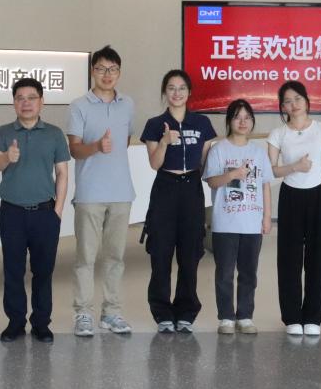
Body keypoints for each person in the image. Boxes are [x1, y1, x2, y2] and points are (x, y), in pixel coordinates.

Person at [0, 78, 69, 343]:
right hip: (11, 212)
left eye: (31, 97)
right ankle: (15, 322)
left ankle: (41, 323)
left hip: (45, 213)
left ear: (41, 102)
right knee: (13, 270)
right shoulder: (2, 132)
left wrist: (57, 211)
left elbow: (62, 173)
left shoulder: (54, 134)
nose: (26, 103)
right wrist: (7, 157)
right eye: (20, 98)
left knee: (43, 271)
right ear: (14, 103)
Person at [66, 45, 138, 337]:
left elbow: (126, 139)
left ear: (119, 72)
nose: (107, 75)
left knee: (115, 257)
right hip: (89, 194)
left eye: (113, 69)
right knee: (85, 258)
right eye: (101, 69)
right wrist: (96, 146)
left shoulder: (128, 104)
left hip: (121, 192)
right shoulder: (78, 105)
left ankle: (111, 313)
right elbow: (74, 149)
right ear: (92, 71)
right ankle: (83, 313)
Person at [140, 69, 217, 333]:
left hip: (191, 188)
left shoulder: (202, 123)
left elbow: (205, 162)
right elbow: (154, 164)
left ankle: (186, 311)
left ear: (189, 92)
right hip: (165, 187)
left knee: (190, 251)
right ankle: (162, 312)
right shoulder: (155, 123)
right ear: (165, 92)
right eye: (171, 88)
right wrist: (164, 142)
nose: (177, 93)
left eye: (182, 88)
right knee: (160, 252)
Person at [267, 81, 321, 337]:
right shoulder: (278, 134)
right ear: (282, 107)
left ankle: (313, 317)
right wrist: (294, 167)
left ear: (306, 101)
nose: (293, 104)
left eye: (297, 99)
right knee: (289, 258)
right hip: (291, 196)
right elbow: (271, 170)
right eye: (287, 101)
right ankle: (292, 317)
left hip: (319, 195)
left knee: (318, 258)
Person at [202, 99, 273, 335]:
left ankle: (245, 316)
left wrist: (267, 217)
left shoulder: (258, 152)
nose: (243, 122)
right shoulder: (219, 149)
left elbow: (265, 185)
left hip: (252, 223)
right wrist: (233, 174)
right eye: (237, 117)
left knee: (248, 273)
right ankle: (226, 317)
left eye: (247, 118)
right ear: (229, 121)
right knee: (224, 273)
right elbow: (212, 181)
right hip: (225, 223)